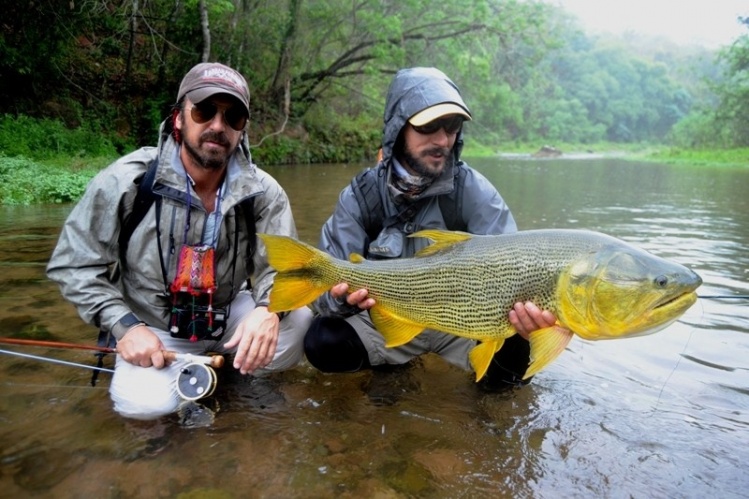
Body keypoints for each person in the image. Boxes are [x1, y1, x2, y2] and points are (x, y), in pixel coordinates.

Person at [47, 62, 312, 419]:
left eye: (232, 117)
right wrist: (125, 326)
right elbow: (74, 264)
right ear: (178, 118)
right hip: (153, 324)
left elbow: (283, 271)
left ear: (242, 130)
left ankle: (233, 374)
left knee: (300, 321)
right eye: (203, 111)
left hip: (227, 313)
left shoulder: (263, 192)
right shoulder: (128, 182)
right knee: (143, 408)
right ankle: (199, 377)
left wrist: (268, 310)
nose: (217, 126)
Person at [303, 67, 560, 391]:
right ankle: (390, 374)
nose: (442, 139)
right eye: (428, 126)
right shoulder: (361, 197)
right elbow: (322, 295)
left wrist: (529, 323)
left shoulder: (475, 193)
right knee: (323, 339)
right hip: (392, 318)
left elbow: (514, 270)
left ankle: (485, 415)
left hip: (461, 326)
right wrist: (342, 300)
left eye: (452, 126)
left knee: (519, 355)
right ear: (398, 129)